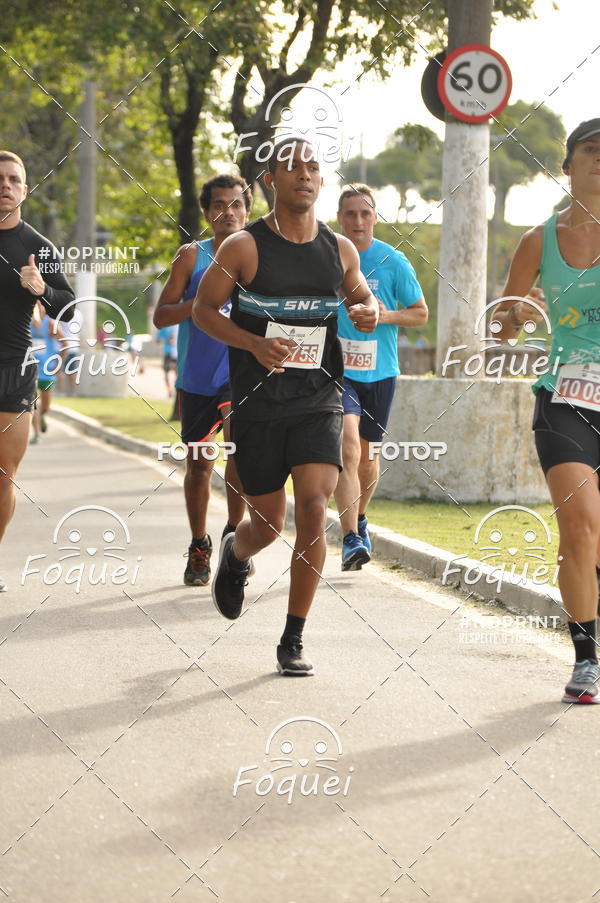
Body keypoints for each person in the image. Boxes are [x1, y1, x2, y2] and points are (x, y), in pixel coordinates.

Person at [193, 139, 379, 676]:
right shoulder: (244, 247)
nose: (305, 175)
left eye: (313, 167)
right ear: (270, 179)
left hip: (319, 397)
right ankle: (237, 553)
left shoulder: (339, 249)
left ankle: (293, 638)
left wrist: (368, 310)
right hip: (257, 403)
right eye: (292, 167)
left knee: (315, 507)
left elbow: (361, 297)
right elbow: (204, 310)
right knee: (270, 524)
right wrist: (253, 344)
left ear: (321, 180)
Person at [493, 119, 600, 704]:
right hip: (565, 398)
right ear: (569, 165)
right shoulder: (539, 240)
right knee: (579, 527)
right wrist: (518, 316)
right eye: (592, 150)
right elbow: (499, 329)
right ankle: (586, 661)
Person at [153, 174, 251, 586]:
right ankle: (199, 545)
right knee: (199, 465)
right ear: (207, 212)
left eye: (236, 204)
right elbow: (162, 316)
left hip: (241, 373)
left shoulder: (258, 254)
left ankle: (234, 536)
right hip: (197, 377)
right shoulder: (191, 256)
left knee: (239, 454)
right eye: (218, 205)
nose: (228, 212)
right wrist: (203, 304)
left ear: (247, 211)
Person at [334, 184, 427, 569]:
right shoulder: (328, 256)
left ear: (374, 217)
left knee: (368, 459)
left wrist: (382, 315)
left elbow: (420, 313)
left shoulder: (393, 261)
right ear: (339, 218)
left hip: (380, 372)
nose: (358, 221)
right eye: (350, 213)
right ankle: (350, 539)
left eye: (365, 213)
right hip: (338, 371)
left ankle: (359, 518)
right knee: (348, 447)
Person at [0, 150, 74, 588]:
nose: (5, 185)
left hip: (13, 370)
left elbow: (68, 308)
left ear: (25, 190)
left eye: (14, 179)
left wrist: (42, 288)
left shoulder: (38, 247)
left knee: (4, 475)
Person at [30, 304, 62, 443]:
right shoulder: (25, 322)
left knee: (46, 406)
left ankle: (42, 416)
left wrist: (58, 363)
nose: (37, 308)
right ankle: (37, 434)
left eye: (40, 305)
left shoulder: (50, 324)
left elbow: (66, 344)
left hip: (47, 371)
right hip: (30, 370)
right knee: (33, 403)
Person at [155, 324, 178, 397]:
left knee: (166, 373)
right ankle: (175, 389)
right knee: (177, 373)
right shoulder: (178, 325)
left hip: (167, 353)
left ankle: (170, 390)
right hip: (176, 353)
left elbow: (157, 340)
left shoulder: (164, 327)